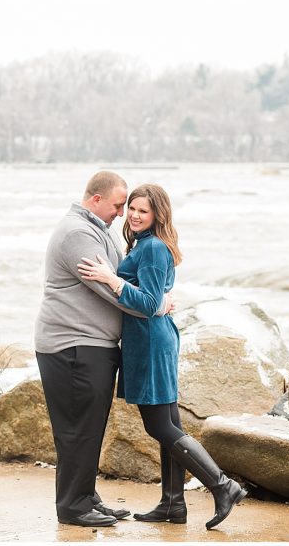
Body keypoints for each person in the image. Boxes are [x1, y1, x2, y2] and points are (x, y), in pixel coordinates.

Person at [77, 183, 246, 530]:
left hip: (150, 343)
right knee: (170, 423)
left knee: (159, 425)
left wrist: (113, 279)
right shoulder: (145, 244)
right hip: (153, 339)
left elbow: (151, 303)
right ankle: (173, 503)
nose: (135, 215)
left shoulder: (152, 247)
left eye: (144, 211)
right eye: (133, 209)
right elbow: (158, 297)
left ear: (157, 215)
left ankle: (222, 485)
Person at [34, 171, 171, 528]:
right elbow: (111, 289)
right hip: (73, 345)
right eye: (117, 205)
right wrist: (156, 305)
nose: (122, 213)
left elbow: (120, 279)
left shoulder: (94, 229)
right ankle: (73, 506)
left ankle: (86, 497)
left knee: (89, 426)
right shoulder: (79, 234)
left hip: (88, 345)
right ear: (96, 200)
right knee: (78, 428)